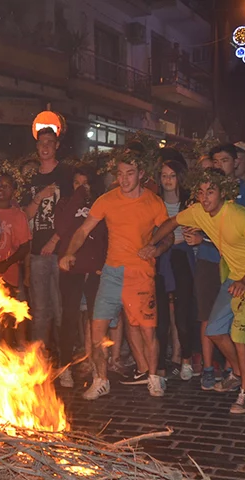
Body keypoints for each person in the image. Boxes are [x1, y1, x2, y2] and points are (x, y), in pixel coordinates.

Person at [147, 169, 245, 414]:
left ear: (222, 193)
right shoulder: (197, 212)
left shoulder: (239, 216)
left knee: (240, 336)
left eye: (210, 192)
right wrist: (151, 244)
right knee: (214, 330)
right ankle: (237, 372)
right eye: (201, 192)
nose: (205, 198)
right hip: (234, 277)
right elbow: (172, 222)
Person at [60, 153, 170, 399]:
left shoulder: (153, 202)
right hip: (111, 272)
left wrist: (157, 248)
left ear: (141, 174)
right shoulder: (107, 200)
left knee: (147, 331)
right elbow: (83, 230)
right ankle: (101, 379)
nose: (124, 179)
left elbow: (168, 234)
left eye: (129, 173)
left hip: (140, 273)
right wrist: (69, 252)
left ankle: (153, 378)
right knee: (97, 328)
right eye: (119, 174)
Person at [55, 166, 106, 388]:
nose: (82, 188)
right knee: (69, 319)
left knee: (95, 321)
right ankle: (64, 366)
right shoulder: (65, 203)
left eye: (86, 184)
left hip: (94, 269)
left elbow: (105, 234)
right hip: (71, 268)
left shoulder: (100, 204)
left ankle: (96, 368)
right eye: (77, 183)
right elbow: (63, 227)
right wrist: (77, 196)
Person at [26, 127, 75, 356]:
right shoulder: (31, 177)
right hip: (37, 253)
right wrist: (39, 197)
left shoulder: (65, 174)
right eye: (41, 142)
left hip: (61, 250)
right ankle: (39, 359)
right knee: (40, 310)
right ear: (36, 147)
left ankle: (64, 358)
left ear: (57, 146)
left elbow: (73, 213)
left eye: (49, 142)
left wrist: (55, 241)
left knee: (62, 308)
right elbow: (24, 216)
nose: (45, 146)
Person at [158, 160, 197, 381]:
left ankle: (185, 360)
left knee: (183, 312)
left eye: (172, 175)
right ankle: (163, 363)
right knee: (163, 314)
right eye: (164, 175)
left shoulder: (189, 202)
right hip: (162, 256)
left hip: (182, 256)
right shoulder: (155, 202)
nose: (168, 180)